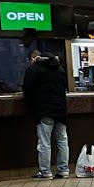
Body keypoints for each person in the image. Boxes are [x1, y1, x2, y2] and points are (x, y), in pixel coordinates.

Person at [23, 51, 70, 179]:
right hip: (60, 109)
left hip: (44, 110)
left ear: (34, 59)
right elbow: (64, 86)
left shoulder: (34, 70)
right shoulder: (60, 69)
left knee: (44, 142)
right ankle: (64, 170)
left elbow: (27, 89)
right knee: (62, 140)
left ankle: (45, 172)